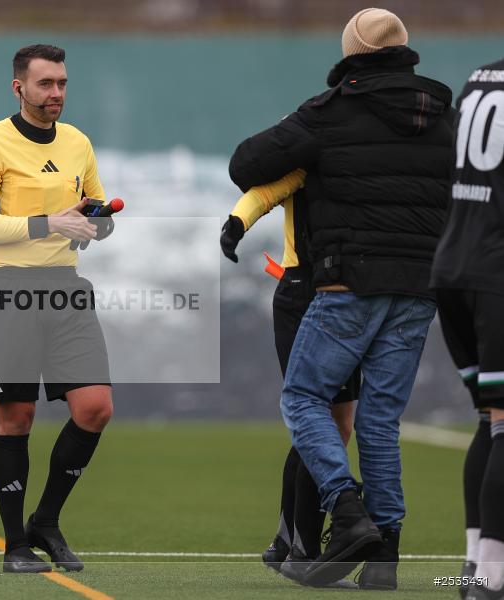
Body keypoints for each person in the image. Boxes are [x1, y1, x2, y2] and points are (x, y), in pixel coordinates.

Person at [228, 7, 454, 588]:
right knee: (379, 423)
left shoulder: (329, 112)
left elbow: (246, 164)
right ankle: (385, 560)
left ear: (351, 53)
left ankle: (346, 510)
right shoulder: (444, 116)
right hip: (419, 286)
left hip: (347, 283)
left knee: (304, 398)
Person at [0, 44, 114, 573]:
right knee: (17, 417)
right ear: (18, 87)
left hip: (67, 288)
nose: (56, 95)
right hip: (8, 290)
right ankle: (14, 546)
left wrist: (98, 219)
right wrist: (52, 222)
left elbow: (93, 204)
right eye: (46, 84)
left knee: (95, 408)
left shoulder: (77, 142)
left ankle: (44, 521)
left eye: (63, 84)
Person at [221, 171, 359, 587]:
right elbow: (265, 191)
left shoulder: (363, 153)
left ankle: (285, 542)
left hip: (349, 293)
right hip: (306, 290)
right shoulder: (311, 149)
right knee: (317, 421)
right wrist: (236, 223)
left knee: (336, 425)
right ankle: (304, 550)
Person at [430, 57, 504, 600]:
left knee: (490, 418)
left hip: (452, 266)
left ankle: (473, 567)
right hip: (495, 274)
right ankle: (491, 579)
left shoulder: (480, 76)